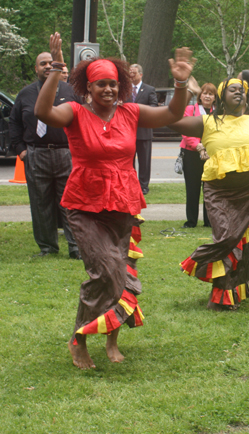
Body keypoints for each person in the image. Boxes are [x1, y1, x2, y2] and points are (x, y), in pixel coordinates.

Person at [34, 32, 194, 369]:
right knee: (107, 269)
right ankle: (79, 338)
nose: (108, 89)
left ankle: (111, 339)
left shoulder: (131, 113)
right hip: (84, 204)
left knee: (118, 273)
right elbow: (43, 111)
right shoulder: (75, 113)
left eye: (114, 84)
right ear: (88, 88)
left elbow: (171, 114)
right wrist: (56, 68)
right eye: (101, 84)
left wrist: (180, 85)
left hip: (122, 202)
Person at [169, 77, 249, 311]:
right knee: (226, 237)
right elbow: (174, 120)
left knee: (245, 241)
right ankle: (201, 264)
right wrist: (184, 89)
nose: (238, 93)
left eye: (242, 90)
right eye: (232, 89)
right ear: (221, 97)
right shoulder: (207, 121)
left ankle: (230, 290)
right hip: (220, 191)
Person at [9, 51, 80, 259]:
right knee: (40, 203)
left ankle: (75, 246)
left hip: (65, 153)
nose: (47, 66)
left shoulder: (71, 91)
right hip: (36, 154)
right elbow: (14, 123)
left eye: (51, 63)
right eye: (43, 64)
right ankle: (48, 247)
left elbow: (82, 120)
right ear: (36, 69)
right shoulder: (25, 94)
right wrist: (21, 150)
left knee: (70, 202)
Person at [179, 81, 217, 228]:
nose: (207, 96)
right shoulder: (190, 109)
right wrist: (199, 147)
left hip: (211, 155)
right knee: (192, 189)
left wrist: (208, 149)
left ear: (215, 98)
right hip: (191, 154)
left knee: (210, 189)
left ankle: (209, 221)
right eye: (205, 93)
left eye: (211, 94)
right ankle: (191, 221)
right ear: (200, 96)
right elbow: (186, 130)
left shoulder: (218, 112)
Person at [127, 63, 158, 195]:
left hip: (143, 131)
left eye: (133, 73)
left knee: (144, 161)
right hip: (127, 132)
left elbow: (153, 106)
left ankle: (143, 186)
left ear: (140, 74)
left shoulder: (149, 89)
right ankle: (131, 184)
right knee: (129, 161)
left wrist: (137, 109)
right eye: (130, 73)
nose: (131, 75)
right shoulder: (125, 89)